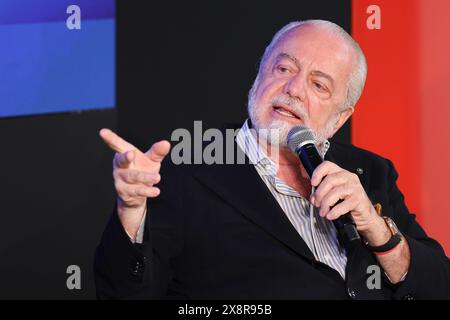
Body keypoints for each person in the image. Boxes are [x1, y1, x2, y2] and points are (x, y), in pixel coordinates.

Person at [94, 20, 450, 299]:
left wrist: (377, 229)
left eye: (319, 85)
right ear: (259, 76)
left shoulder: (371, 172)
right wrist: (130, 211)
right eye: (284, 69)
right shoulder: (187, 168)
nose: (294, 89)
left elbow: (438, 287)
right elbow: (125, 294)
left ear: (341, 117)